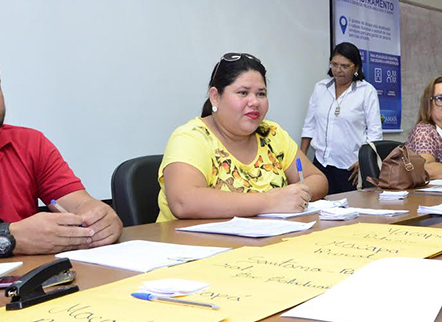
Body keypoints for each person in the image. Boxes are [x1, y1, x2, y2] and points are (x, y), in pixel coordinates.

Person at [0, 36, 122, 260]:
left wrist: (101, 217)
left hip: (25, 283)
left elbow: (79, 203)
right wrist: (9, 237)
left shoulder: (29, 143)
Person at [158, 53, 327, 222]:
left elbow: (318, 180)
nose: (254, 102)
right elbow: (183, 202)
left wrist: (294, 195)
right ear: (215, 97)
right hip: (194, 245)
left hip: (267, 242)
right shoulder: (191, 138)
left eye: (261, 94)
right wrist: (270, 201)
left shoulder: (272, 134)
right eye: (243, 93)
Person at [300, 42, 382, 194]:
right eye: (334, 64)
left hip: (350, 168)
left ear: (356, 68)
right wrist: (302, 156)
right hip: (320, 165)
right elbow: (309, 125)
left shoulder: (366, 91)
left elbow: (375, 132)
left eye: (345, 66)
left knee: (349, 212)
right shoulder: (321, 88)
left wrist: (363, 163)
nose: (338, 70)